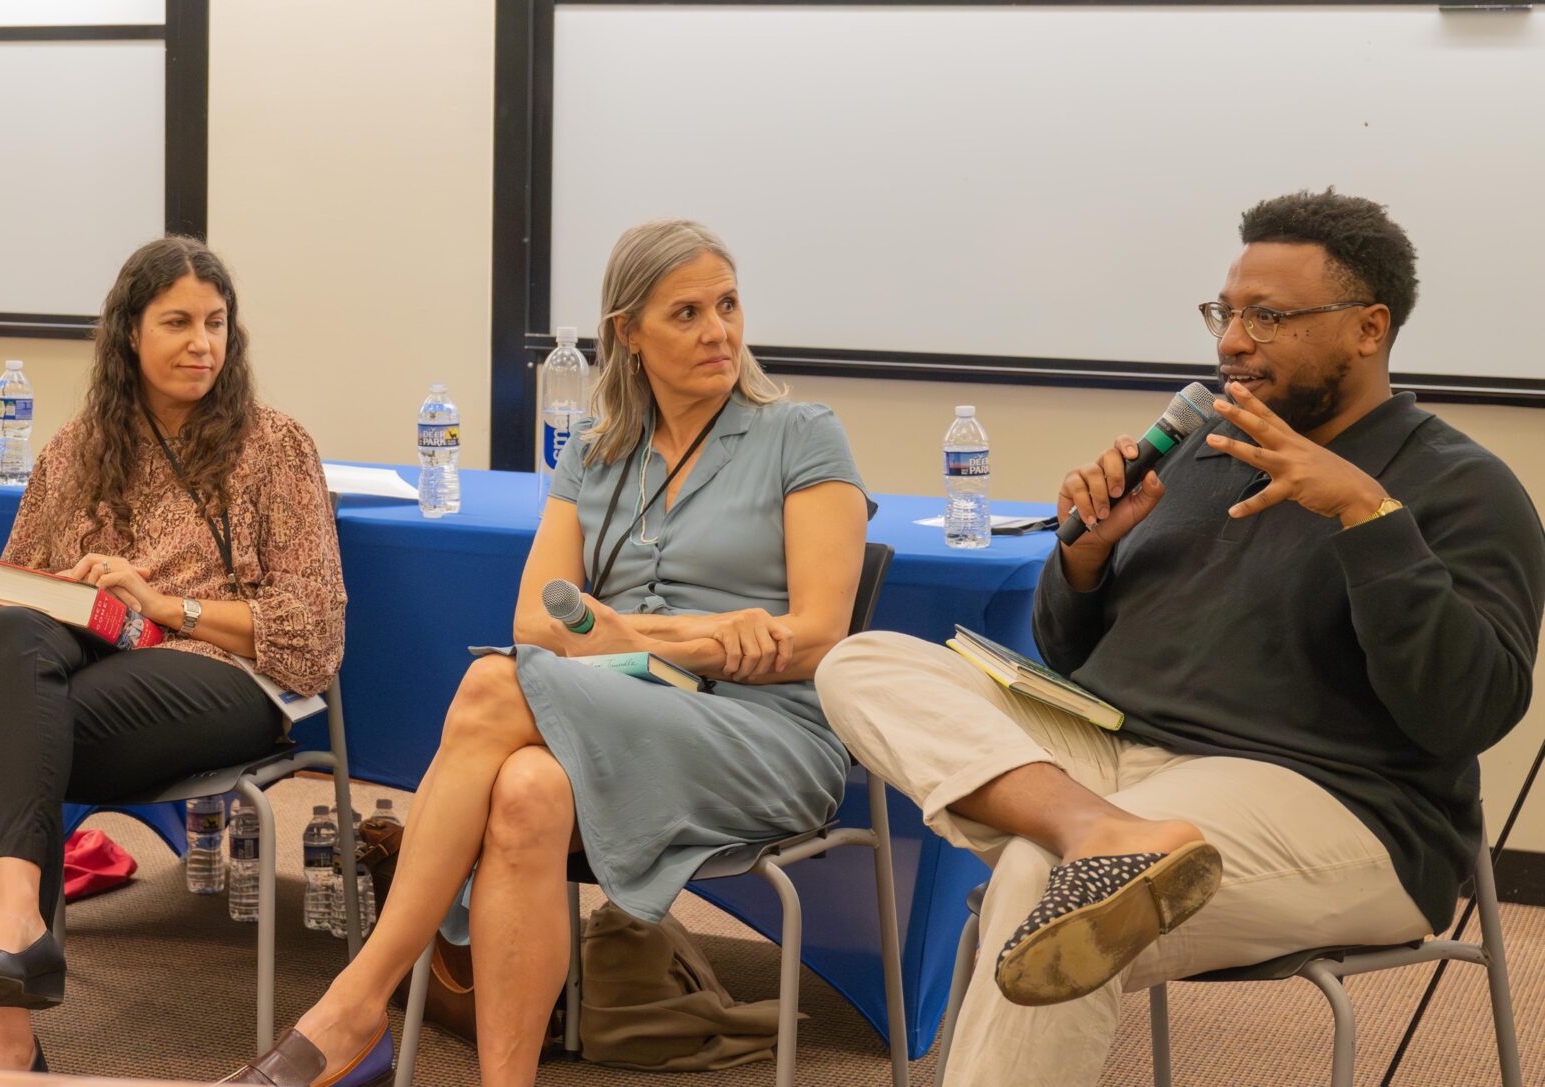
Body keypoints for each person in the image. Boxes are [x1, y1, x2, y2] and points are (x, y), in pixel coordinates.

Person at [816, 189, 1545, 1085]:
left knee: (1049, 887)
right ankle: (1102, 832)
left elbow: (1464, 711)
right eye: (1227, 312)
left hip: (1337, 800)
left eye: (1268, 317)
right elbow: (1070, 656)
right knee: (864, 657)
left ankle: (1094, 841)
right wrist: (1085, 559)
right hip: (1117, 759)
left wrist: (1365, 514)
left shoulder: (1465, 486)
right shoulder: (1201, 446)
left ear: (1369, 328)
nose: (1233, 341)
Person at [224, 218, 870, 1087]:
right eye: (685, 313)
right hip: (626, 705)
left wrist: (627, 632)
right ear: (626, 336)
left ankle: (353, 1001)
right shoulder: (597, 456)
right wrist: (694, 635)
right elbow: (538, 620)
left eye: (727, 304)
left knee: (494, 686)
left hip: (765, 735)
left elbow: (819, 635)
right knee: (527, 791)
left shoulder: (803, 435)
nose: (718, 330)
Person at [0, 236, 347, 1073]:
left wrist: (164, 605)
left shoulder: (275, 446)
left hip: (229, 682)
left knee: (12, 740)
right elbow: (9, 595)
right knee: (7, 632)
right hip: (96, 682)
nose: (202, 343)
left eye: (215, 323)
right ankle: (17, 939)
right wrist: (79, 602)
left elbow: (315, 634)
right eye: (177, 322)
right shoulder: (75, 449)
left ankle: (6, 1019)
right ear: (130, 332)